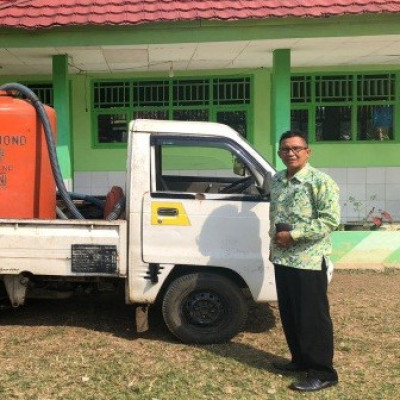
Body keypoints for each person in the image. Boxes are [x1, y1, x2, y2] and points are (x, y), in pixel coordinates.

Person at [269, 130, 340, 392]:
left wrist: (294, 235)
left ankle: (323, 372)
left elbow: (330, 220)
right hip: (283, 258)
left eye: (297, 148)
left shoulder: (320, 182)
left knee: (312, 317)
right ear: (279, 153)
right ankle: (299, 360)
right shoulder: (276, 181)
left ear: (307, 151)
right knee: (290, 313)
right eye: (286, 149)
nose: (291, 153)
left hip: (308, 260)